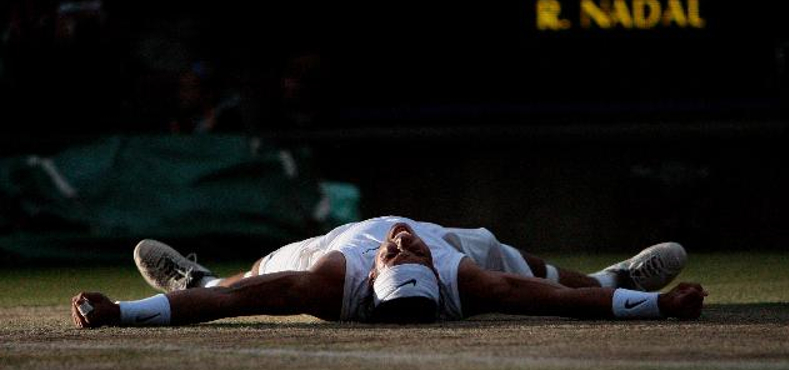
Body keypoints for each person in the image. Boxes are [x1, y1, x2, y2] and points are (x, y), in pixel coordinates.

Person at [70, 216, 706, 328]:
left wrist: (122, 313)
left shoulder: (332, 280)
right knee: (504, 256)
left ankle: (196, 278)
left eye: (400, 254)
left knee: (241, 286)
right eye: (411, 253)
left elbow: (232, 311)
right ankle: (610, 280)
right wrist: (659, 307)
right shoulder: (462, 278)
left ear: (375, 274)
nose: (403, 242)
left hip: (333, 248)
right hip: (455, 258)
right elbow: (550, 301)